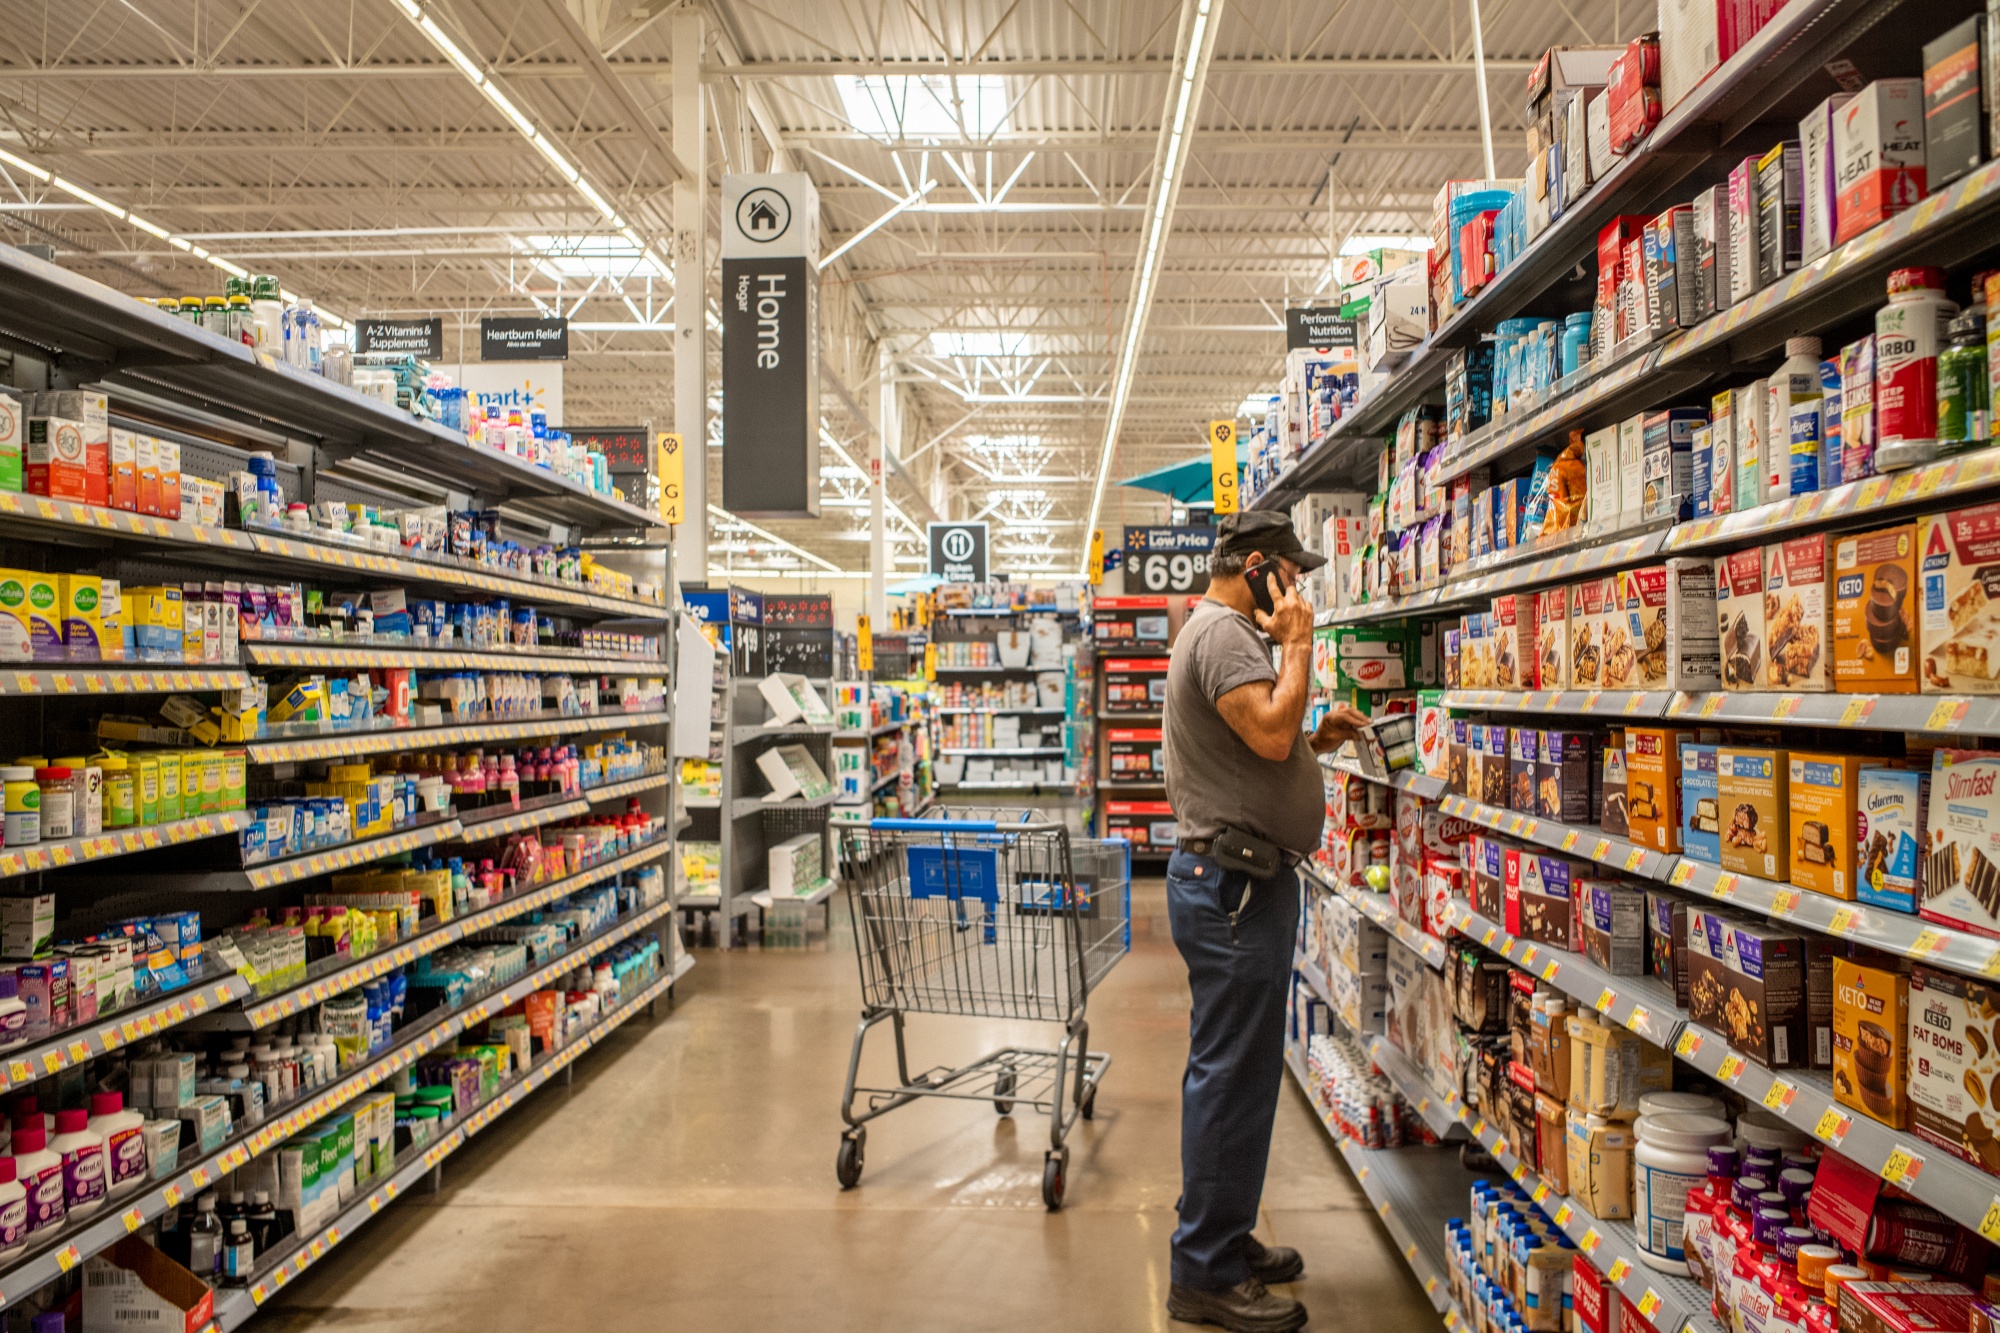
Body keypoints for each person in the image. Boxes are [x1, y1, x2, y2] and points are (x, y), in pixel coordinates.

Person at [1161, 510, 1371, 1333]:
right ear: (1259, 568)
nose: (1302, 586)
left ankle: (1223, 1237)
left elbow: (1267, 738)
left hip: (1243, 885)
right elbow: (1272, 737)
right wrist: (1299, 640)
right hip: (1233, 891)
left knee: (1243, 1077)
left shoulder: (1219, 634)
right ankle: (1203, 1272)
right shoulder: (1221, 635)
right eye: (1293, 571)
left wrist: (1319, 729)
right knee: (1229, 1075)